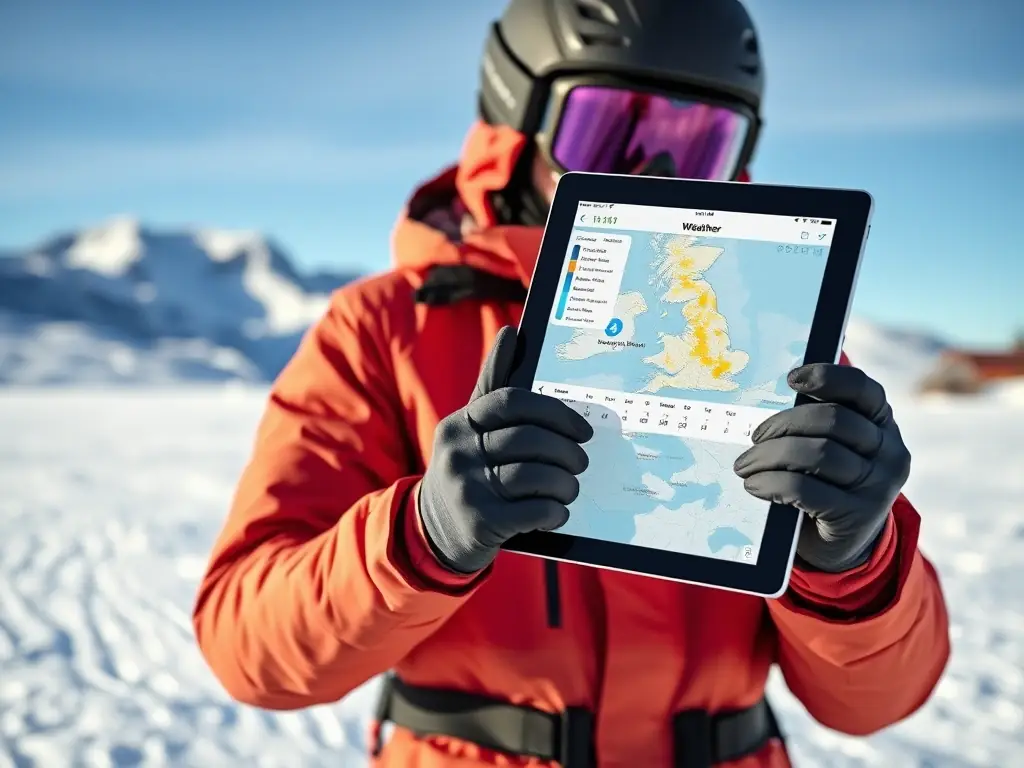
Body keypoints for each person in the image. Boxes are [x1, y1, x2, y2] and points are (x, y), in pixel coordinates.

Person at [192, 1, 951, 766]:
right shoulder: (385, 330)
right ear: (515, 121)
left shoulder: (769, 338)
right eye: (610, 130)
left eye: (699, 143)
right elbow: (249, 651)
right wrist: (423, 535)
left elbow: (877, 701)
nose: (653, 176)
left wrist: (856, 565)